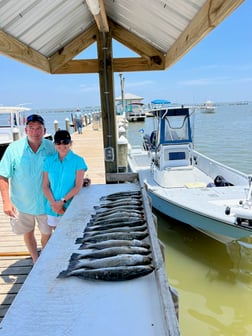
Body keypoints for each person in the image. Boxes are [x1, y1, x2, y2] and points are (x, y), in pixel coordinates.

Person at [0, 114, 56, 263]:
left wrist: (81, 179)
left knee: (47, 233)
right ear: (26, 130)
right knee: (27, 232)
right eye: (31, 128)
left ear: (44, 131)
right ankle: (36, 259)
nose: (35, 132)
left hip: (46, 203)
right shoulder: (14, 148)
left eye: (39, 128)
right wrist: (6, 202)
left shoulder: (52, 148)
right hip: (22, 203)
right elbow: (3, 175)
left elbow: (66, 167)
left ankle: (44, 255)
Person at [42, 130, 88, 229]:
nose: (62, 146)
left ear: (70, 143)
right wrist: (54, 204)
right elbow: (45, 186)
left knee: (72, 234)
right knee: (57, 236)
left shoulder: (78, 161)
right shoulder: (48, 161)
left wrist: (62, 203)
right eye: (58, 143)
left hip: (70, 206)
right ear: (54, 144)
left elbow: (78, 186)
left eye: (65, 142)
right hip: (52, 208)